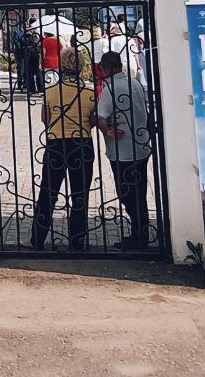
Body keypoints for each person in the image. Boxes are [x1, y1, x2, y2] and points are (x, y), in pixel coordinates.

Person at [29, 49, 98, 251]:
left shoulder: (51, 91)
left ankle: (37, 239)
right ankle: (77, 240)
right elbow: (93, 120)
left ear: (63, 66)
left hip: (57, 143)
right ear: (81, 67)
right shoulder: (90, 93)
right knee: (80, 194)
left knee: (48, 193)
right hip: (82, 144)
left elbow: (45, 119)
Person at [95, 51, 153, 249]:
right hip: (141, 146)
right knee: (140, 193)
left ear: (105, 69)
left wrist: (107, 130)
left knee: (126, 193)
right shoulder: (134, 82)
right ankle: (142, 233)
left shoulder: (111, 89)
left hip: (122, 150)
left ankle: (138, 237)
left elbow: (101, 116)